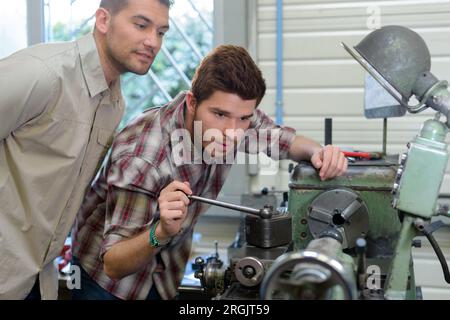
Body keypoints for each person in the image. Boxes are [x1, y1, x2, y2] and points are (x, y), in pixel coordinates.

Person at [71, 45, 348, 300]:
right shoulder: (144, 157)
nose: (232, 132)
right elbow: (114, 264)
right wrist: (162, 231)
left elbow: (282, 140)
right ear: (192, 102)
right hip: (107, 284)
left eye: (244, 118)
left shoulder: (236, 118)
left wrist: (319, 152)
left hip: (166, 273)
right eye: (219, 115)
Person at [0, 0, 171, 300]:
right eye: (141, 25)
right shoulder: (42, 73)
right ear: (103, 20)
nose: (153, 42)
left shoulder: (114, 103)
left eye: (161, 32)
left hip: (37, 279)